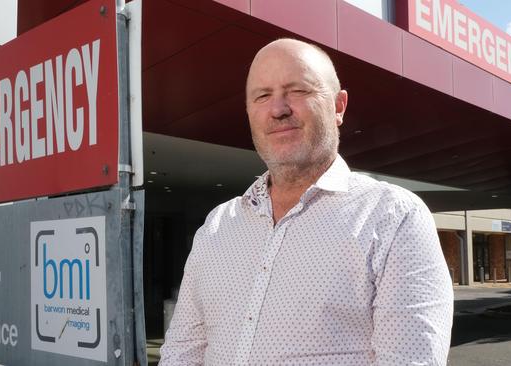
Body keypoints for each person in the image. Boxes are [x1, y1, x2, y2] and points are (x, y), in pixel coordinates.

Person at [159, 38, 453, 365]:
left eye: (298, 91)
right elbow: (181, 354)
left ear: (338, 106)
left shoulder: (393, 218)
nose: (278, 109)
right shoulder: (217, 226)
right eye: (262, 95)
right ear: (248, 111)